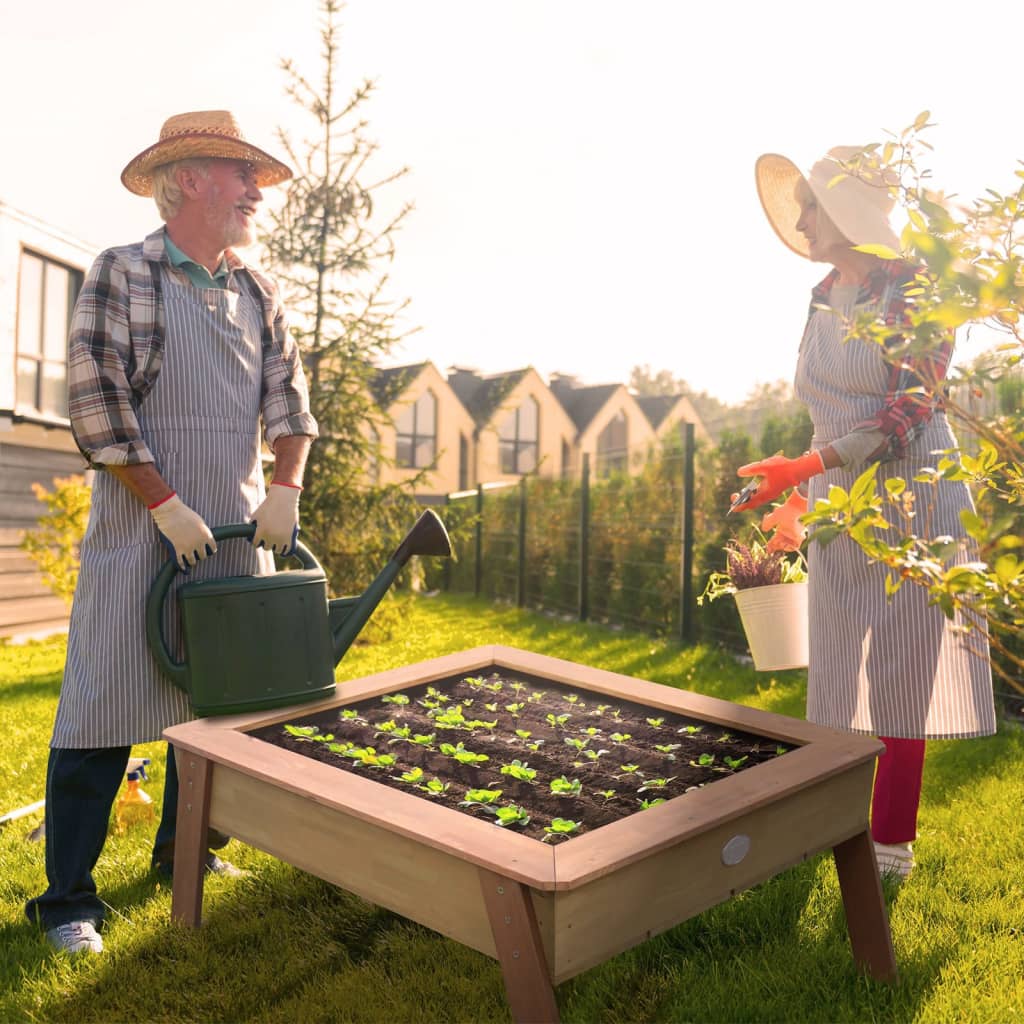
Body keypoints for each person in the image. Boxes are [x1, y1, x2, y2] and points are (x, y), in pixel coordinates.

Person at [25, 111, 318, 955]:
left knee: (216, 709)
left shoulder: (257, 291)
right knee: (101, 706)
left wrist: (287, 487)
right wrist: (164, 503)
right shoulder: (124, 272)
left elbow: (290, 403)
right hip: (140, 525)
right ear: (188, 178)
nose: (255, 192)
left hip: (233, 526)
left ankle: (185, 857)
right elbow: (96, 402)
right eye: (240, 174)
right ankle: (67, 902)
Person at [734, 145, 996, 881]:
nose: (800, 218)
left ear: (847, 211)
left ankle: (890, 846)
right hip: (836, 496)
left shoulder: (917, 291)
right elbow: (828, 412)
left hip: (917, 490)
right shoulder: (822, 294)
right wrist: (793, 496)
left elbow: (903, 415)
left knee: (900, 672)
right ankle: (828, 826)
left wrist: (807, 471)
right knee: (835, 669)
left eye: (811, 204)